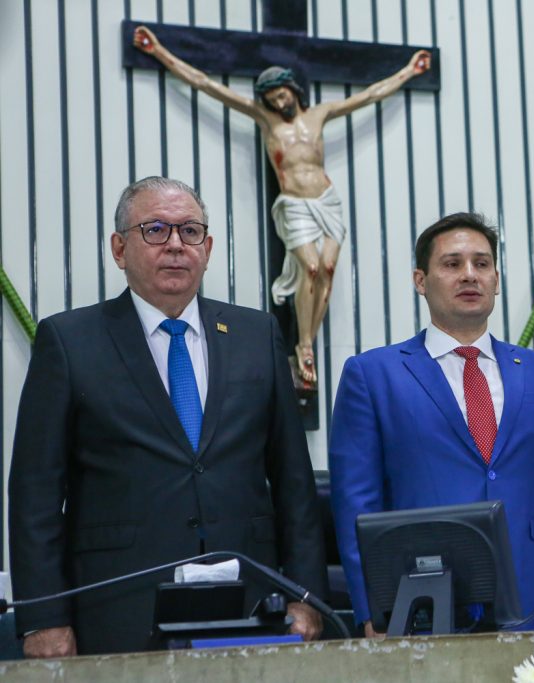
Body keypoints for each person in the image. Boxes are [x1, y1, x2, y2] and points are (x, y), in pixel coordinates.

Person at [7, 177, 327, 657]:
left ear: (208, 246)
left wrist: (307, 597)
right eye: (155, 230)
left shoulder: (255, 334)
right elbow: (35, 494)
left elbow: (293, 484)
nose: (176, 245)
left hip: (252, 599)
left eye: (190, 231)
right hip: (117, 603)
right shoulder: (70, 342)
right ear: (119, 249)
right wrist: (43, 617)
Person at [329, 212, 534, 634]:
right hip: (420, 605)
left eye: (482, 263)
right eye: (452, 264)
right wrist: (374, 609)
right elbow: (356, 505)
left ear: (496, 278)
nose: (469, 275)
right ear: (421, 280)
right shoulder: (372, 375)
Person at [133, 26, 431, 385]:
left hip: (326, 200)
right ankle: (303, 345)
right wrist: (160, 52)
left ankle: (307, 341)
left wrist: (409, 71)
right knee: (310, 267)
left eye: (281, 94)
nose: (278, 102)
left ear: (293, 90)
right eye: (271, 97)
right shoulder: (265, 120)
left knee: (329, 268)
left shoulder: (319, 115)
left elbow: (369, 96)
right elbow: (206, 84)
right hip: (294, 203)